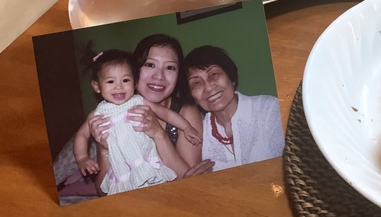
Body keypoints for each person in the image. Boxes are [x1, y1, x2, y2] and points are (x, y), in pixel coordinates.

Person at [88, 35, 214, 191]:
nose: (159, 76)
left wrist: (158, 134)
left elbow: (191, 183)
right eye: (149, 64)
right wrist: (104, 149)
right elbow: (102, 192)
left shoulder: (185, 113)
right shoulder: (111, 115)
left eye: (170, 67)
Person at [185, 45, 285, 172]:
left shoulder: (268, 108)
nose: (208, 87)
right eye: (196, 83)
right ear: (193, 97)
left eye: (214, 74)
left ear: (231, 77)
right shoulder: (199, 134)